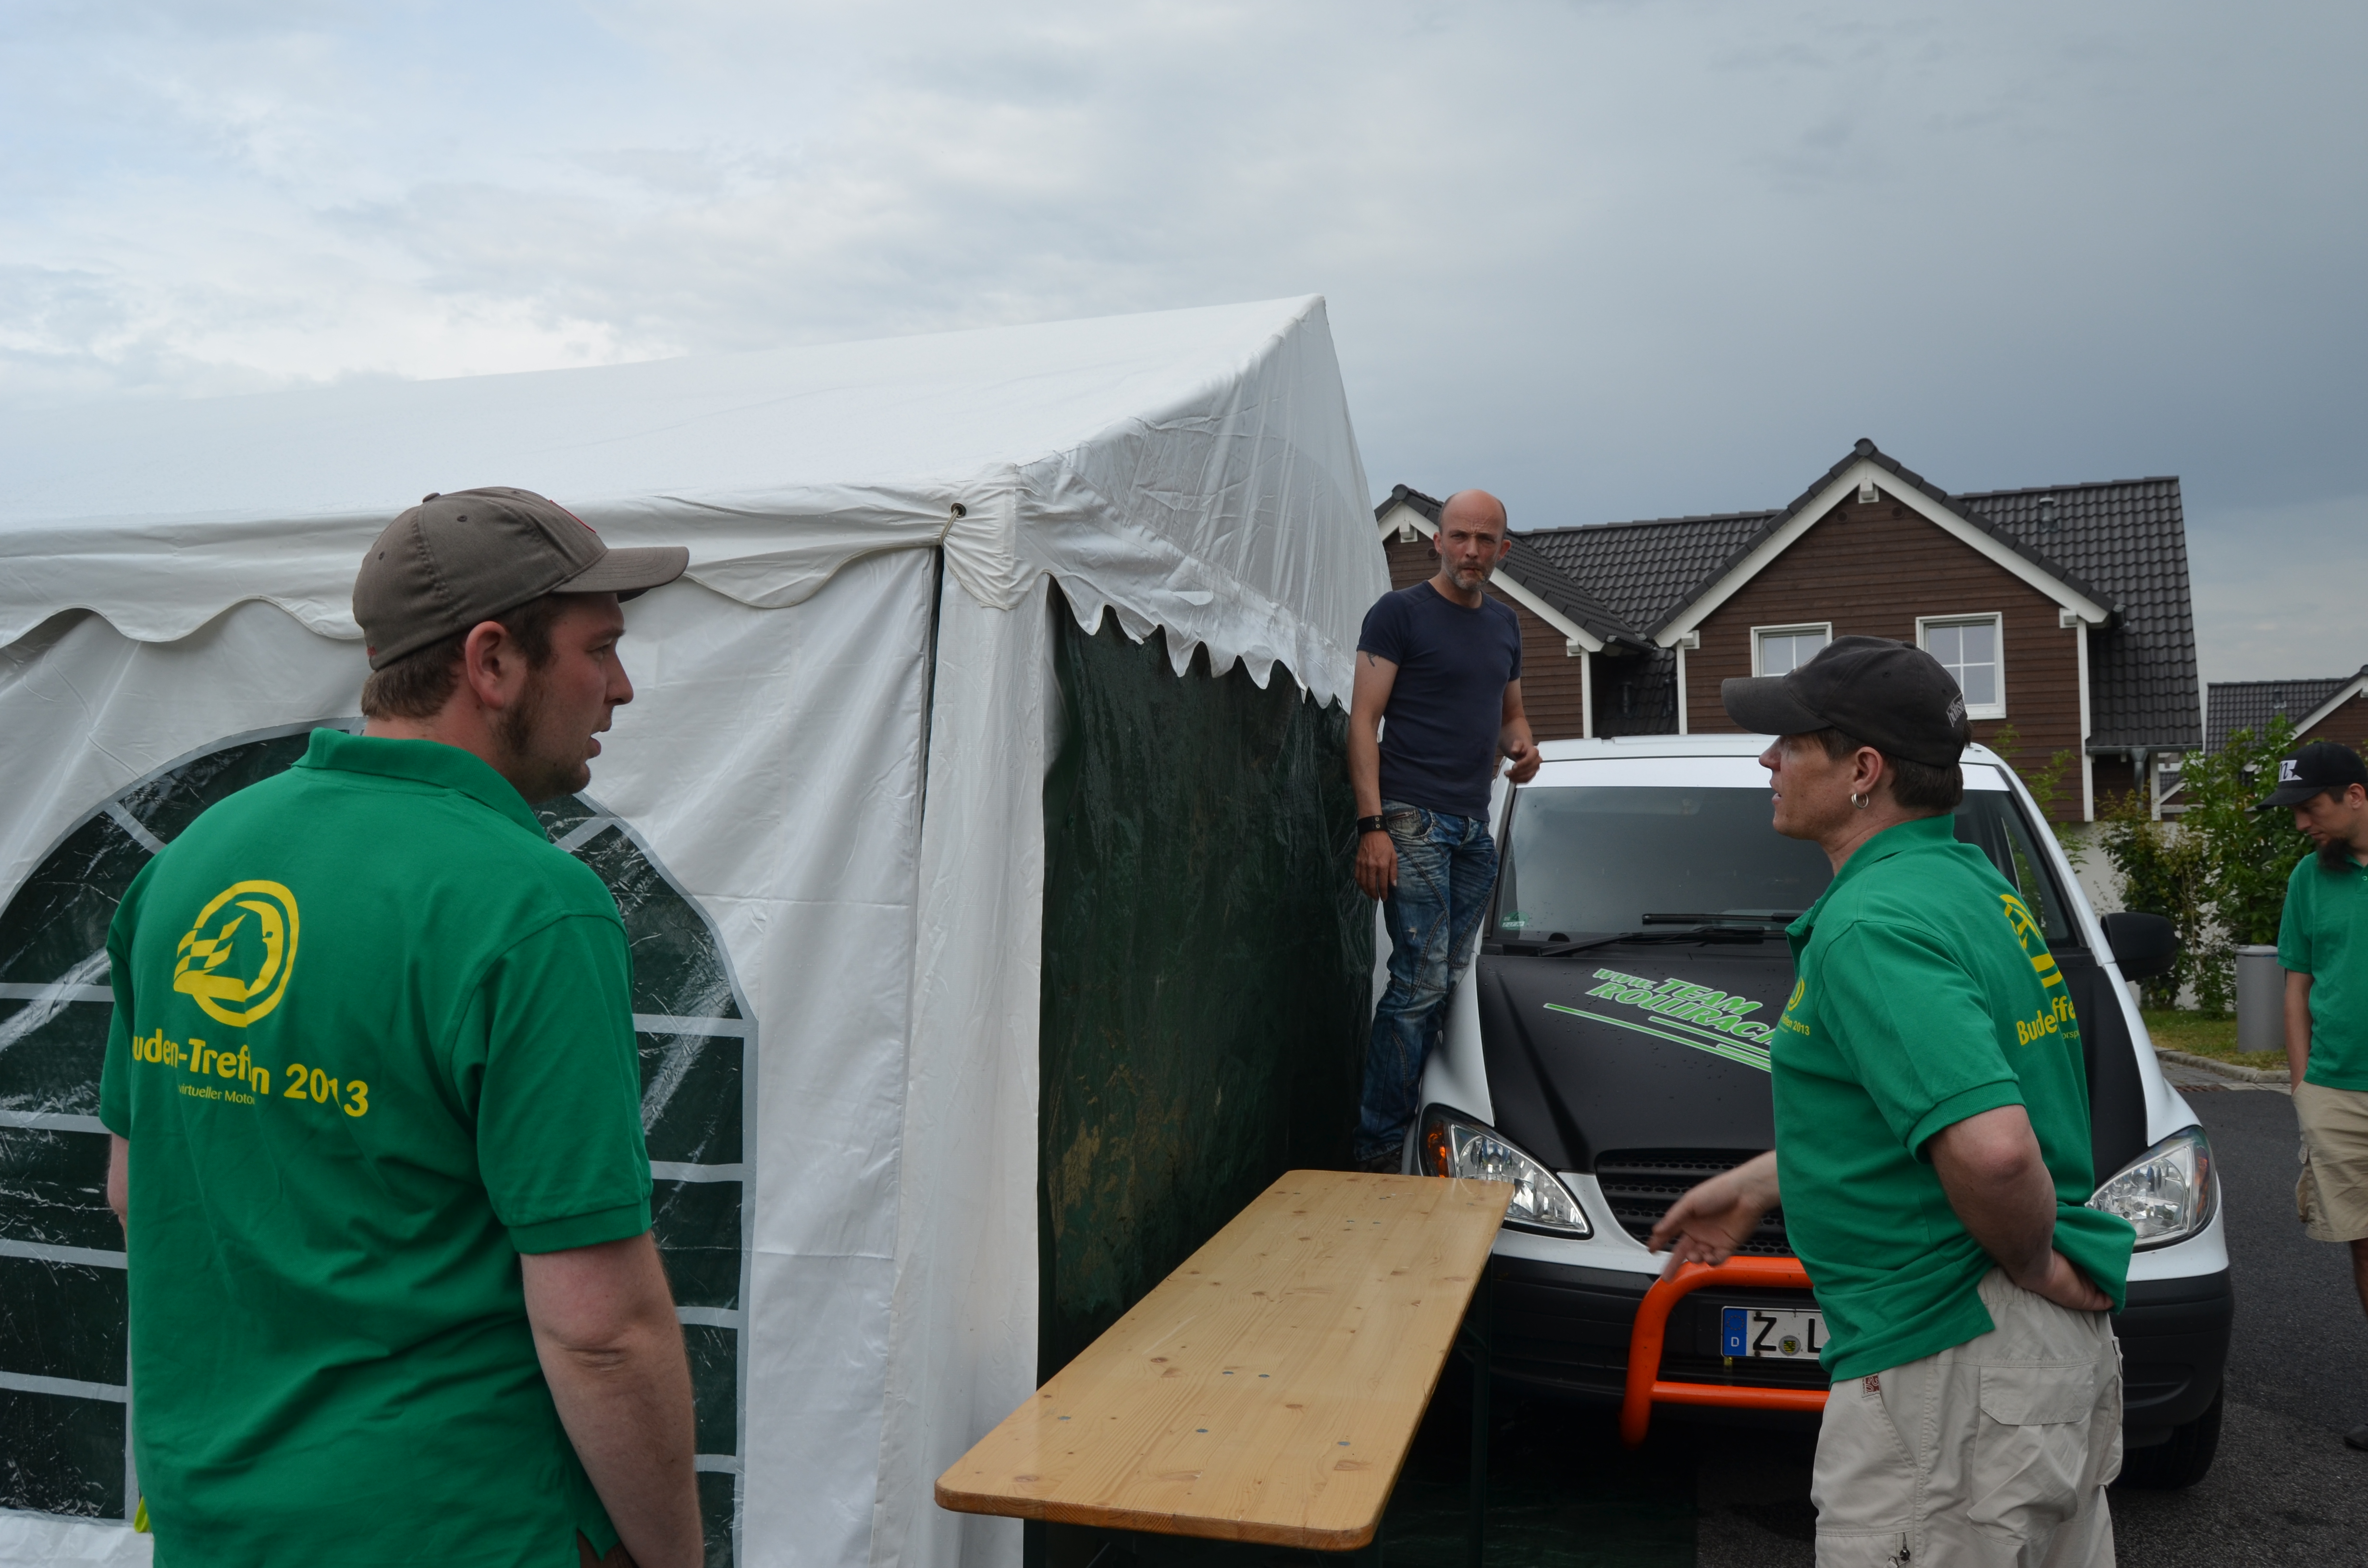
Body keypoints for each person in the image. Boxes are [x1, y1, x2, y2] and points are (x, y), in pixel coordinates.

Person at [99, 488, 703, 1568]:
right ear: (492, 661)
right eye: (600, 649)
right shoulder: (531, 907)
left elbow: (135, 1193)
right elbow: (601, 1332)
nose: (620, 688)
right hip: (457, 1526)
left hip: (214, 1521)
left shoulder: (192, 863)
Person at [1649, 636, 2136, 1567]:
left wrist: (2034, 1262)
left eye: (1791, 742)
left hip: (1950, 1361)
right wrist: (1765, 1181)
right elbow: (1932, 1107)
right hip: (2020, 1365)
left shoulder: (1871, 924)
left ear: (1863, 772)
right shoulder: (1971, 885)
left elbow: (1994, 1150)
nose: (1767, 760)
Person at [1347, 489, 1539, 1172]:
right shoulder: (1398, 613)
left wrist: (1524, 748)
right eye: (1460, 536)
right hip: (1411, 820)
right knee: (1420, 982)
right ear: (1437, 540)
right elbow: (1362, 722)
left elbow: (1511, 717)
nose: (1471, 550)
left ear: (1503, 550)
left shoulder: (1506, 625)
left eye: (1486, 540)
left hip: (1472, 830)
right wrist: (1372, 826)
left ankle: (1430, 1130)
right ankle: (1377, 1150)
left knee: (1448, 985)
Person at [2260, 739, 2368, 1451]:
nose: (2302, 824)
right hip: (2337, 1092)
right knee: (2364, 1247)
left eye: (2310, 808)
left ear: (2355, 796)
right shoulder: (2309, 878)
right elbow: (2296, 987)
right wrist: (2303, 1088)